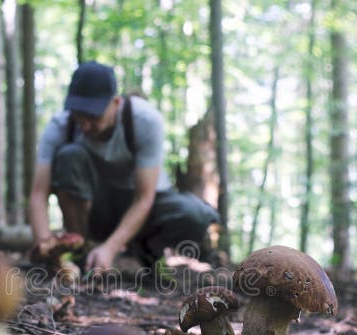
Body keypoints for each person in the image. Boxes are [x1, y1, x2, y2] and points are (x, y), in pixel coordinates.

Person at [28, 61, 219, 271]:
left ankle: (142, 254)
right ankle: (82, 254)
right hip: (96, 211)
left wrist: (110, 248)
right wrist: (47, 248)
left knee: (194, 215)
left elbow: (143, 197)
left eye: (93, 117)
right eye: (78, 115)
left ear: (116, 103)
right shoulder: (59, 126)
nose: (84, 125)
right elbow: (38, 193)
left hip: (146, 207)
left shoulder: (145, 120)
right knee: (69, 156)